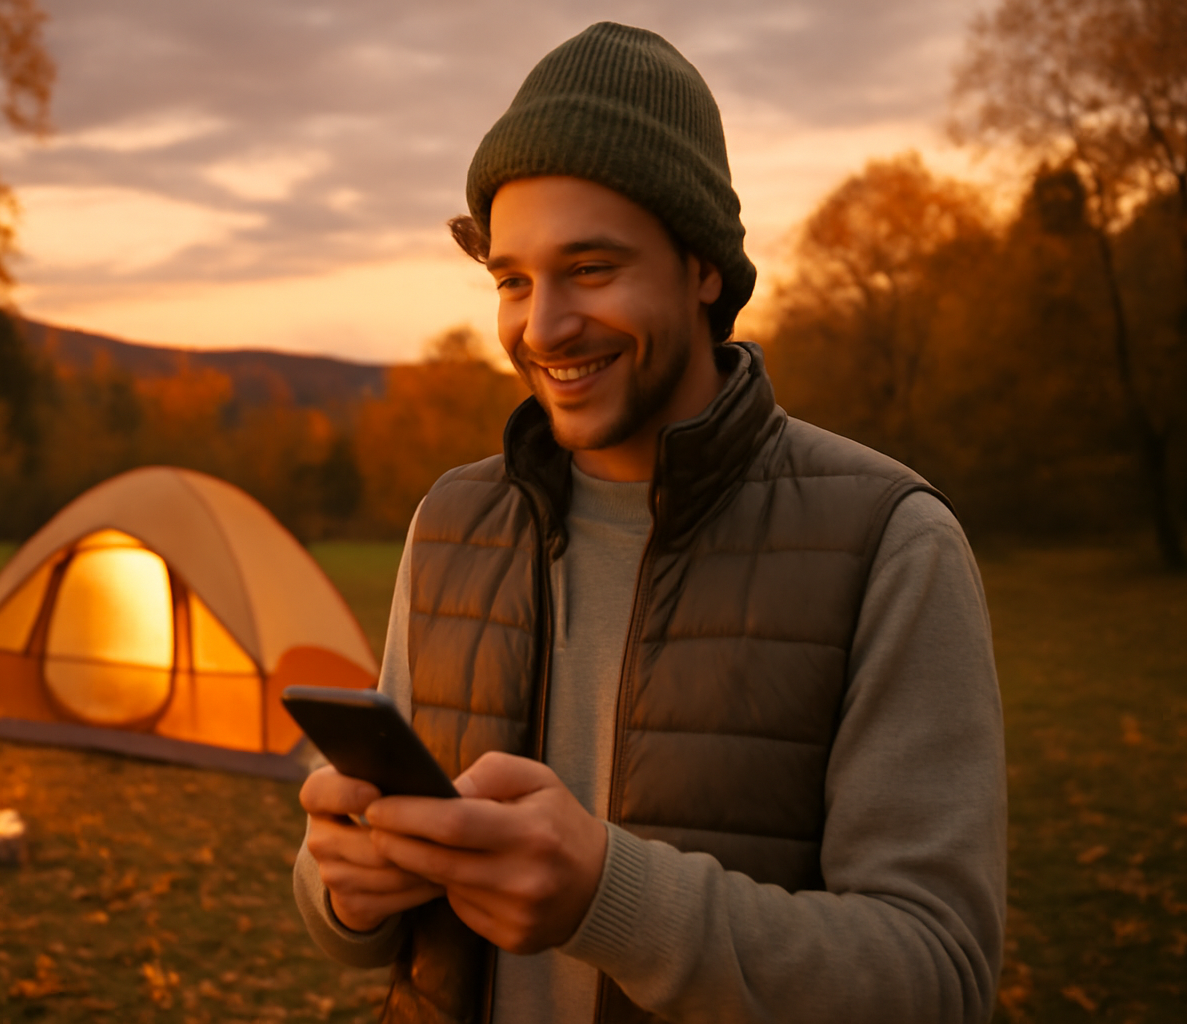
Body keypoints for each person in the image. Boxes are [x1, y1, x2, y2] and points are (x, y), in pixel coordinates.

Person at [292, 21, 1005, 1024]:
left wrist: (608, 899)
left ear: (703, 268)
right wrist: (344, 886)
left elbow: (938, 978)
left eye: (591, 268)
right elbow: (356, 929)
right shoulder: (450, 520)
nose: (542, 327)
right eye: (512, 279)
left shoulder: (892, 540)